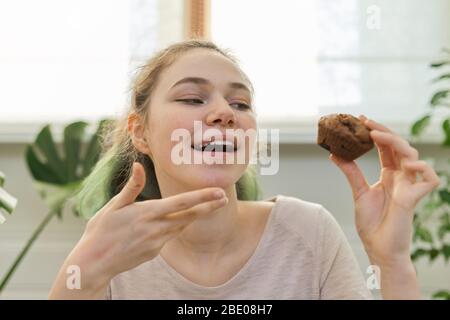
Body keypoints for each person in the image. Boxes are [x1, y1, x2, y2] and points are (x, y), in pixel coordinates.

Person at [48, 40, 440, 300]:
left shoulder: (309, 235)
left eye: (240, 104)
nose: (224, 113)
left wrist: (391, 261)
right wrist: (82, 268)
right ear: (141, 133)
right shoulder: (117, 253)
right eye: (191, 97)